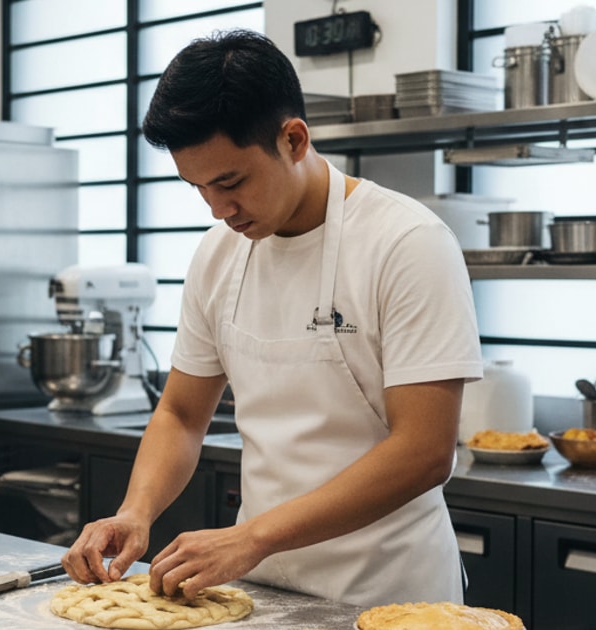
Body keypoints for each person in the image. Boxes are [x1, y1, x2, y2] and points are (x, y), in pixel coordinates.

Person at [59, 28, 483, 608]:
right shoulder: (218, 255)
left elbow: (426, 450)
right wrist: (136, 511)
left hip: (389, 592)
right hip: (261, 591)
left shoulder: (406, 242)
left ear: (294, 139)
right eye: (198, 188)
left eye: (231, 182)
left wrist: (253, 536)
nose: (219, 209)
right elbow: (182, 414)